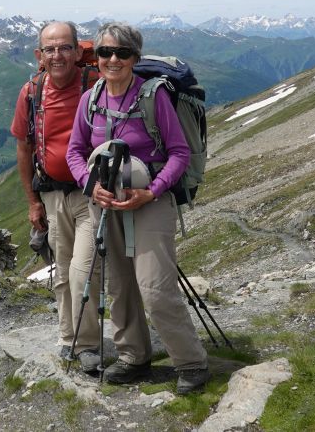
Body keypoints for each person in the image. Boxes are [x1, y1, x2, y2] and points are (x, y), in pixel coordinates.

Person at [66, 21, 211, 395]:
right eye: (105, 52)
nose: (113, 60)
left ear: (135, 57)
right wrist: (90, 184)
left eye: (122, 53)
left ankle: (192, 362)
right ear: (96, 57)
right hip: (106, 202)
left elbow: (179, 153)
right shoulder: (91, 99)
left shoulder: (152, 96)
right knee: (119, 285)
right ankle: (134, 355)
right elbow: (74, 152)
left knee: (155, 286)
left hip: (150, 201)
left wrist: (154, 191)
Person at [10, 21, 102, 374]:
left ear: (79, 52)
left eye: (65, 47)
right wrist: (33, 202)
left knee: (83, 269)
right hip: (51, 195)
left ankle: (89, 343)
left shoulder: (94, 84)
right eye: (50, 49)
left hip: (90, 193)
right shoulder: (31, 92)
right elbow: (24, 147)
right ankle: (70, 338)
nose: (57, 55)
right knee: (62, 269)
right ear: (39, 55)